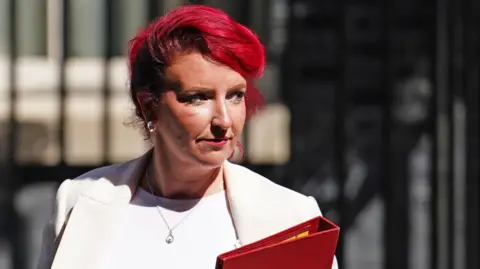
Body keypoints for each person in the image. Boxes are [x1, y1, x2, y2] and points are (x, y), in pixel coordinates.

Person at [37, 5, 338, 269]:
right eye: (198, 98)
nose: (223, 119)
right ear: (148, 106)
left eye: (235, 96)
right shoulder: (80, 201)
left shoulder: (291, 217)